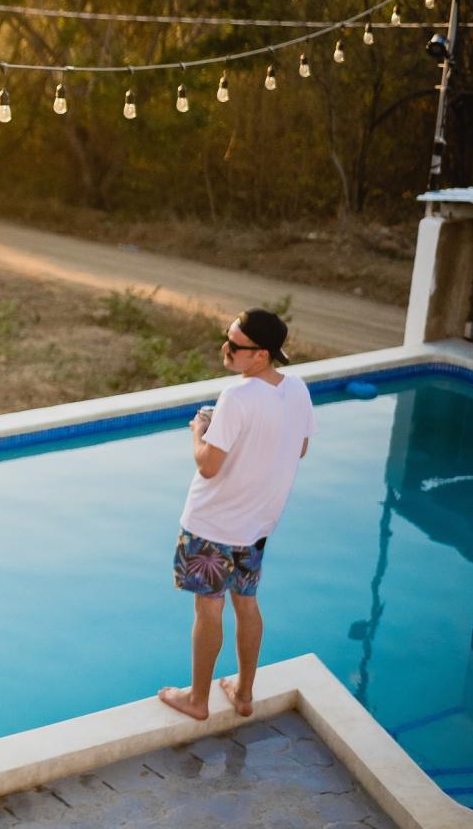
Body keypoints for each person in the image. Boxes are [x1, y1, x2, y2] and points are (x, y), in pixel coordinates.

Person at [158, 308, 316, 721]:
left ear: (261, 354)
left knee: (208, 608)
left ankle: (197, 700)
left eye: (234, 345)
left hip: (212, 524)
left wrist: (199, 431)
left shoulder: (237, 397)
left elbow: (208, 466)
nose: (225, 349)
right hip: (257, 526)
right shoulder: (297, 388)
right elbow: (298, 447)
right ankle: (244, 693)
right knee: (246, 604)